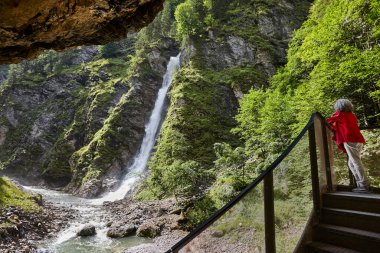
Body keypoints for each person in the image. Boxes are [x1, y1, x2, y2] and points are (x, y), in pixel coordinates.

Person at [327, 99, 369, 193]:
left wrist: (333, 127)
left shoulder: (340, 115)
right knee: (352, 163)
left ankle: (364, 185)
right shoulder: (352, 115)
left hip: (350, 140)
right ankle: (360, 184)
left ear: (338, 107)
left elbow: (328, 122)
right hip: (358, 140)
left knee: (355, 162)